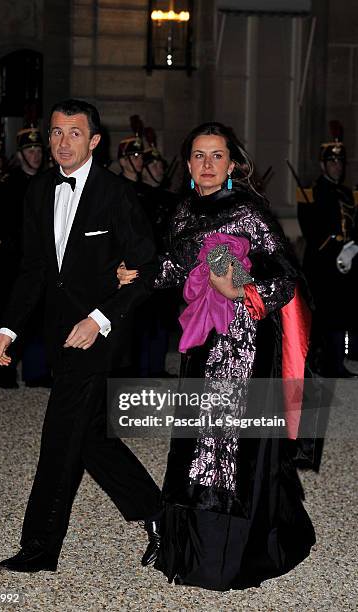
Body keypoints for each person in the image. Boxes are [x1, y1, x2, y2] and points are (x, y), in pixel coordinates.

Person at [118, 122, 315, 591]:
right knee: (195, 440)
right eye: (198, 157)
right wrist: (140, 276)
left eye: (217, 156)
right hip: (201, 341)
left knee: (228, 445)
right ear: (187, 165)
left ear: (233, 165)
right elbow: (174, 266)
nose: (206, 165)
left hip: (243, 344)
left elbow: (286, 279)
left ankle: (228, 557)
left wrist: (241, 288)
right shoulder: (184, 211)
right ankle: (191, 549)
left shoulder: (249, 211)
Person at [0, 99, 162, 573]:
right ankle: (161, 514)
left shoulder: (118, 195)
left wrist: (100, 318)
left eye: (74, 133)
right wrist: (9, 327)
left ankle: (40, 547)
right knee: (90, 439)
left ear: (94, 141)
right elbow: (34, 270)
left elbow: (147, 269)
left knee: (61, 436)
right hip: (57, 335)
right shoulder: (38, 191)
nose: (62, 142)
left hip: (101, 334)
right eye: (56, 133)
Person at [0, 122, 51, 388]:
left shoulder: (49, 183)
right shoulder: (6, 185)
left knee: (39, 315)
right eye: (30, 149)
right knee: (9, 314)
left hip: (39, 260)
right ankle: (4, 368)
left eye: (39, 149)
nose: (35, 155)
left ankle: (36, 370)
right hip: (11, 261)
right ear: (19, 155)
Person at [297, 122, 358, 378]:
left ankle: (337, 361)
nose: (337, 166)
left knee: (343, 312)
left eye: (340, 162)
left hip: (348, 259)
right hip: (322, 262)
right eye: (332, 162)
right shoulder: (310, 192)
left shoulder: (348, 193)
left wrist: (354, 246)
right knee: (323, 314)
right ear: (323, 165)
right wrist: (335, 247)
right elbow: (311, 230)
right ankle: (318, 362)